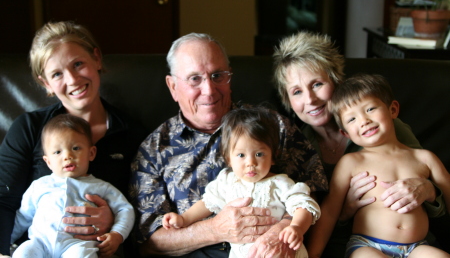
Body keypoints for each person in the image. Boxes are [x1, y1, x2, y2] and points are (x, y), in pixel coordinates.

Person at [130, 33, 328, 258]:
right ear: (173, 86)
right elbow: (148, 240)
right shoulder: (154, 150)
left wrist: (284, 229)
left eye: (217, 75)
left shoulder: (274, 126)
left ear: (229, 77)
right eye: (194, 78)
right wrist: (214, 230)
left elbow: (316, 191)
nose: (209, 90)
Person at [272, 31, 445, 257]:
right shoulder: (296, 149)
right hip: (357, 245)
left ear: (337, 82)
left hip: (416, 244)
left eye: (317, 84)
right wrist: (347, 212)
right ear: (289, 103)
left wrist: (429, 190)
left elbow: (423, 174)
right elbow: (319, 215)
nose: (310, 99)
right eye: (297, 92)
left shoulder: (386, 126)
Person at [0, 21, 148, 256]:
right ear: (45, 83)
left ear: (97, 59)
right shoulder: (29, 128)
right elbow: (4, 201)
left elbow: (143, 210)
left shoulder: (134, 135)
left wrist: (114, 225)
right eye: (57, 74)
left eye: (78, 64)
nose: (72, 79)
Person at [308, 73, 450, 257]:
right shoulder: (351, 162)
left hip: (417, 247)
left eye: (370, 109)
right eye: (352, 119)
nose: (364, 121)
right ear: (346, 133)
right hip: (368, 246)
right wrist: (312, 255)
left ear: (393, 109)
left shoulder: (424, 158)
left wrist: (431, 189)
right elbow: (329, 212)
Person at [162, 106, 321, 258]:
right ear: (228, 159)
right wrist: (184, 218)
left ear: (273, 156)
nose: (250, 162)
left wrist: (296, 227)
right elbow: (207, 203)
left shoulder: (281, 182)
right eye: (241, 155)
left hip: (280, 252)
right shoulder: (226, 181)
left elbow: (303, 206)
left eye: (259, 154)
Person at [11, 114, 135, 257]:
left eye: (76, 148)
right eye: (57, 152)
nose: (67, 156)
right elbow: (22, 217)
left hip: (78, 244)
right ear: (48, 161)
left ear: (91, 153)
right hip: (40, 243)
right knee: (23, 252)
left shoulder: (101, 187)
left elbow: (125, 209)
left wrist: (117, 234)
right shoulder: (39, 186)